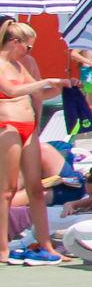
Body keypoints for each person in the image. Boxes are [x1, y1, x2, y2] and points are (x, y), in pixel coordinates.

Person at [1, 19, 67, 264]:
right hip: (7, 128)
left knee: (36, 189)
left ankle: (46, 244)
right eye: (28, 47)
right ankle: (3, 249)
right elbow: (11, 91)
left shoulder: (20, 65)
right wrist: (45, 82)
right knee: (6, 190)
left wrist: (64, 86)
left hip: (28, 128)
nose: (30, 52)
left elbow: (37, 92)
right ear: (15, 42)